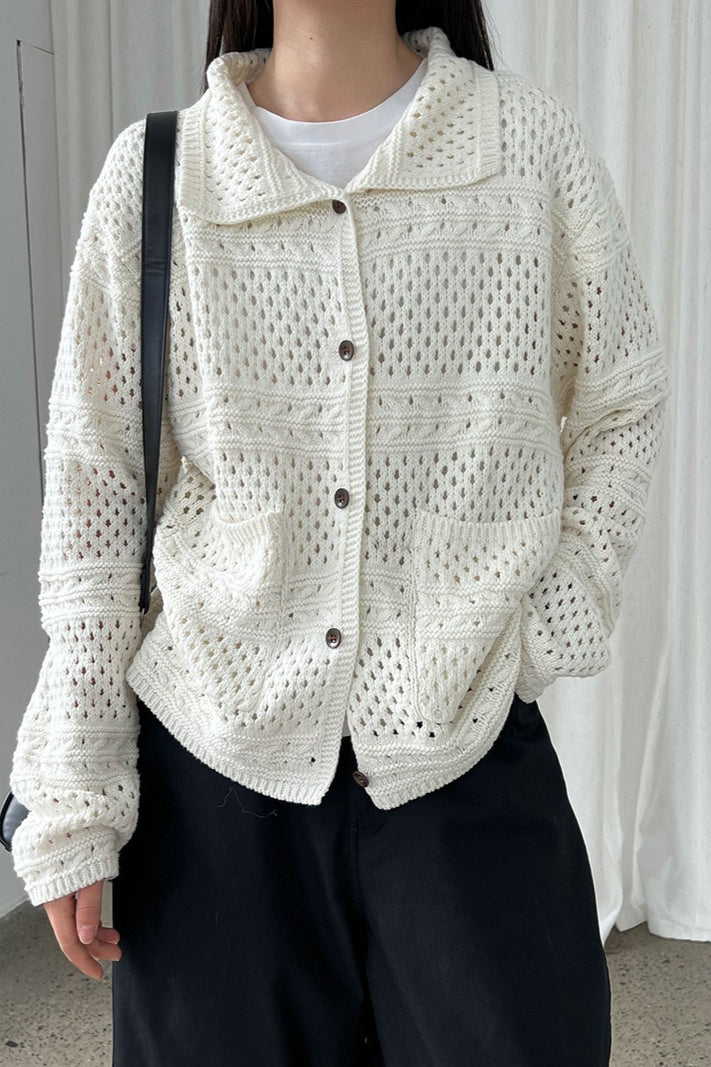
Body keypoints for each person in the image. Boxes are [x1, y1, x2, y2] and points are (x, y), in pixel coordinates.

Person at [8, 1, 671, 1064]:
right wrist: (76, 791)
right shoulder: (160, 172)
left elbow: (618, 402)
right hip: (211, 769)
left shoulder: (525, 146)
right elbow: (98, 490)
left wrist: (551, 617)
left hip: (465, 754)